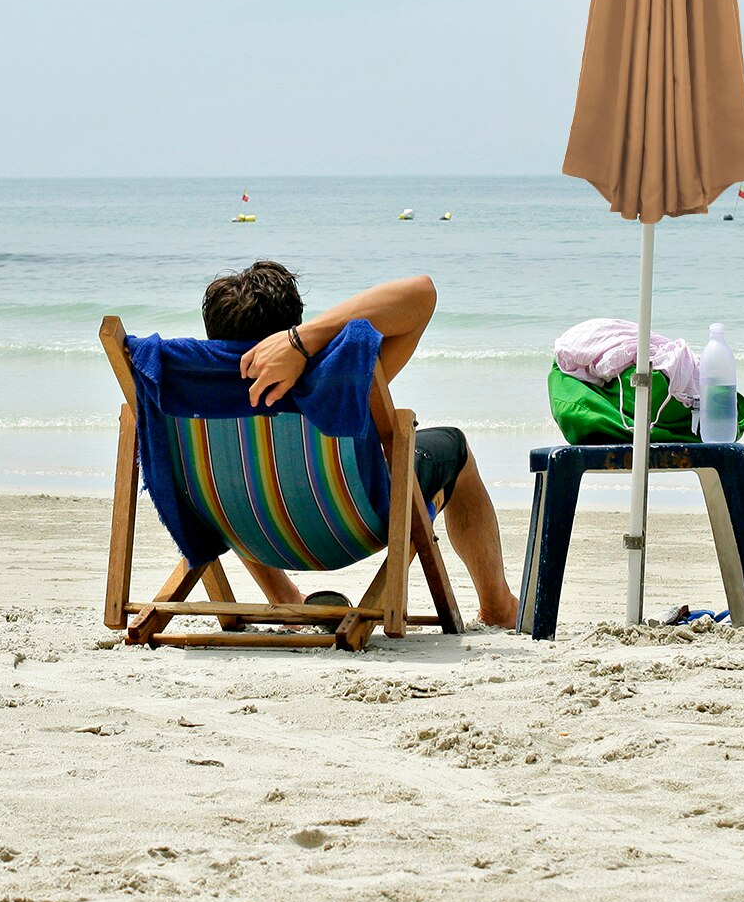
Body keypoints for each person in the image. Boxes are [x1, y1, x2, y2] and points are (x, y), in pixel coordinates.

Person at [201, 261, 519, 629]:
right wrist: (303, 341)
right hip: (357, 526)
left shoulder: (188, 391)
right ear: (293, 323)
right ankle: (497, 605)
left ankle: (285, 598)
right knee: (454, 446)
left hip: (246, 530)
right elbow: (422, 293)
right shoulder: (340, 377)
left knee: (237, 479)